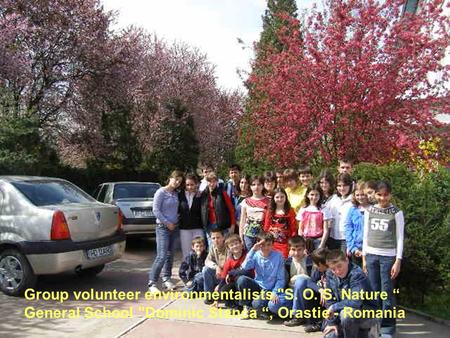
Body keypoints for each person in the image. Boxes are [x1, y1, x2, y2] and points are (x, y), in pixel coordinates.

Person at [362, 181, 404, 337]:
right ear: (375, 195)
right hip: (371, 255)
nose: (382, 198)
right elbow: (365, 234)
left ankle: (387, 326)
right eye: (379, 194)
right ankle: (375, 324)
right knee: (373, 291)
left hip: (388, 257)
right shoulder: (369, 210)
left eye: (386, 195)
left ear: (390, 194)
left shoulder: (397, 213)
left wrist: (398, 260)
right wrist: (364, 258)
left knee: (386, 292)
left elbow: (400, 238)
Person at [323, 250, 379, 338]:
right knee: (330, 335)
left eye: (339, 266)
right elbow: (330, 300)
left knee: (346, 314)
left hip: (365, 313)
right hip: (340, 314)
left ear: (347, 260)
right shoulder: (329, 274)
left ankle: (368, 330)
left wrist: (334, 307)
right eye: (333, 269)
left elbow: (355, 302)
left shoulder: (357, 275)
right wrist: (332, 323)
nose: (337, 271)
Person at [236, 232, 287, 320]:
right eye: (262, 245)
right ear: (258, 244)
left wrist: (274, 292)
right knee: (241, 280)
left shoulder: (278, 256)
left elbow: (281, 279)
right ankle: (247, 307)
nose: (266, 248)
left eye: (268, 245)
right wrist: (252, 250)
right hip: (258, 286)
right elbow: (244, 267)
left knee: (257, 303)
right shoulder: (256, 255)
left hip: (269, 290)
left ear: (272, 244)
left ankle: (262, 310)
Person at [148, 170, 184, 293]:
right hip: (162, 227)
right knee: (161, 256)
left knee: (170, 255)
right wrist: (167, 223)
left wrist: (175, 221)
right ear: (170, 178)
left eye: (180, 181)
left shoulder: (175, 194)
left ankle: (166, 279)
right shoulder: (161, 192)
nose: (177, 182)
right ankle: (152, 282)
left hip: (174, 227)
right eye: (176, 179)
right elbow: (156, 210)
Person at [214, 234, 252, 309]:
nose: (235, 246)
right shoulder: (229, 261)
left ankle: (246, 304)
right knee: (223, 290)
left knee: (241, 279)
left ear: (241, 244)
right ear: (228, 248)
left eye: (236, 243)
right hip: (235, 285)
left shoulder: (248, 256)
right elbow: (223, 279)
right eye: (232, 245)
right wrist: (217, 299)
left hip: (247, 284)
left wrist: (230, 273)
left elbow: (247, 272)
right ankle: (234, 305)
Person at [200, 171, 236, 246]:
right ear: (206, 182)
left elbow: (231, 210)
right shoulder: (203, 194)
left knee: (225, 248)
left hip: (222, 226)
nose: (212, 184)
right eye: (209, 181)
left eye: (214, 181)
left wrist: (232, 225)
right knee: (212, 248)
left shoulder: (222, 193)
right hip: (209, 226)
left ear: (217, 182)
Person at [296, 184, 332, 252]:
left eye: (316, 195)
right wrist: (302, 244)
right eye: (312, 194)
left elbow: (326, 230)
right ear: (307, 195)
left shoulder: (324, 209)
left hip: (319, 240)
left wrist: (321, 245)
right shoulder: (303, 209)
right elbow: (300, 229)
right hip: (305, 240)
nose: (314, 197)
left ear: (320, 195)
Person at [263, 188, 297, 258]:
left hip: (285, 244)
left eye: (282, 197)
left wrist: (292, 245)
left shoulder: (290, 211)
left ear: (286, 197)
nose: (280, 199)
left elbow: (293, 229)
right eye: (277, 197)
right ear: (273, 198)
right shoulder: (270, 211)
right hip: (272, 244)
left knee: (282, 262)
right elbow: (266, 227)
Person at [239, 175, 270, 251]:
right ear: (250, 186)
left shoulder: (269, 201)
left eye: (259, 184)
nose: (256, 187)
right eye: (253, 185)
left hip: (263, 236)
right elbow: (242, 220)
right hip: (248, 235)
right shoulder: (245, 201)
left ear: (263, 186)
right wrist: (241, 237)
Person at [178, 173, 204, 259]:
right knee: (186, 253)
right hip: (184, 228)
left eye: (192, 184)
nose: (190, 187)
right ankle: (187, 272)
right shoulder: (179, 195)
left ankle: (200, 272)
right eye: (187, 185)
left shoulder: (200, 195)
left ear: (196, 184)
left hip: (198, 227)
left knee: (199, 252)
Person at [327, 173, 353, 253]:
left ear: (350, 186)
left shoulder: (353, 200)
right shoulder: (333, 199)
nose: (342, 188)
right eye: (339, 185)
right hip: (332, 237)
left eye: (345, 185)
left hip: (346, 238)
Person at [345, 181, 369, 264]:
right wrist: (352, 248)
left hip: (370, 249)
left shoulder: (373, 209)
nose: (360, 197)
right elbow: (348, 228)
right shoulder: (353, 210)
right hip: (356, 248)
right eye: (357, 195)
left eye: (362, 195)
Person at [202, 229, 228, 304]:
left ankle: (219, 293)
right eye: (213, 238)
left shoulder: (228, 247)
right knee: (205, 270)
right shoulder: (213, 247)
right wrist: (216, 267)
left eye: (218, 237)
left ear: (223, 238)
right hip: (218, 274)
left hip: (227, 277)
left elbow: (229, 266)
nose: (216, 240)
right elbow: (207, 261)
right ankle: (209, 296)